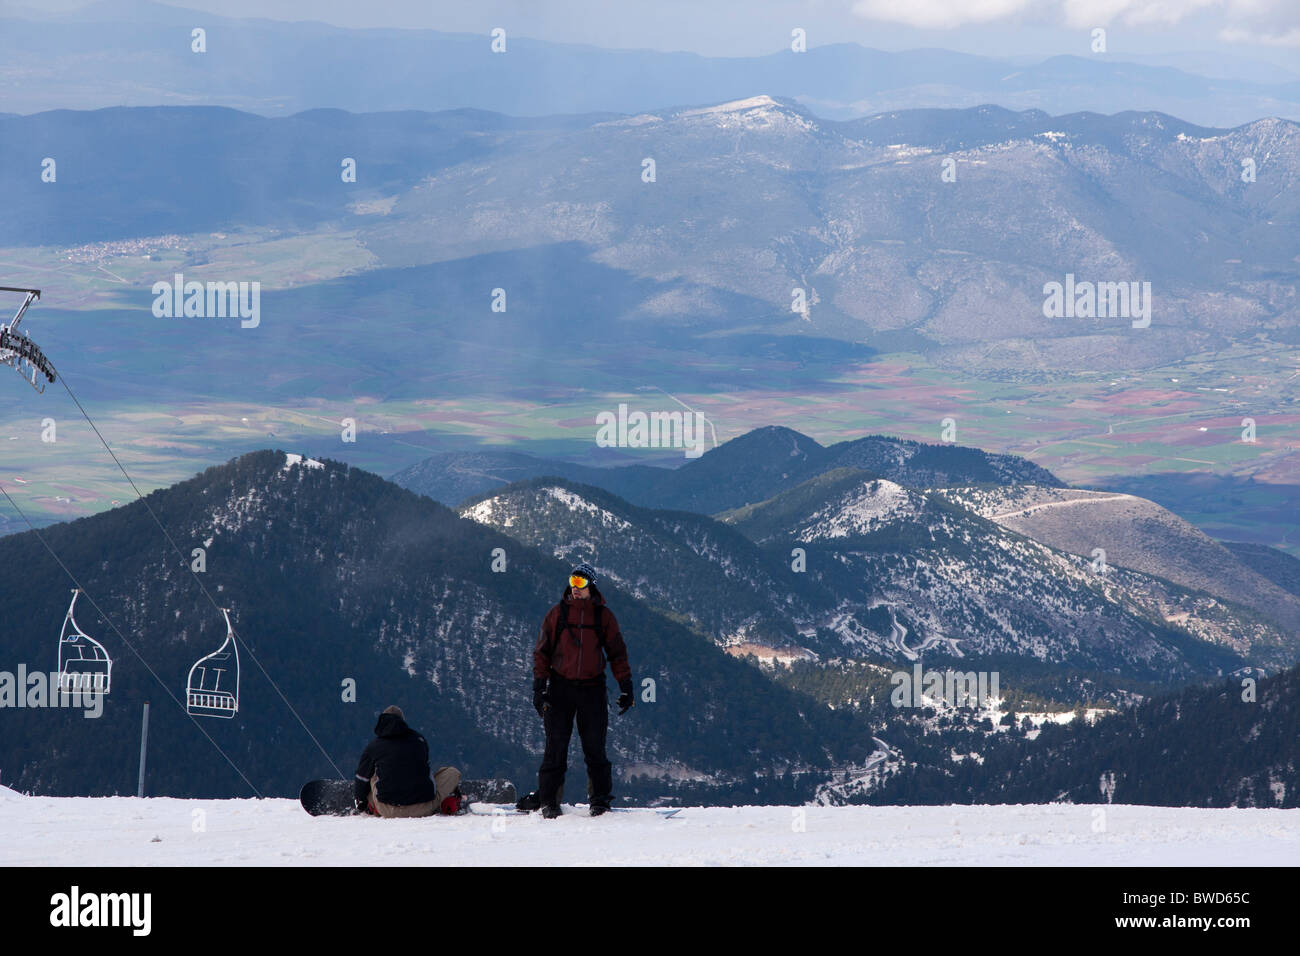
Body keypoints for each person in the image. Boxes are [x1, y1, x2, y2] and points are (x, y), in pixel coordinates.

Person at [523, 563, 634, 818]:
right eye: (573, 580)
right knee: (555, 748)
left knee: (595, 748)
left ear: (591, 586)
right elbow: (541, 653)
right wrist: (539, 689)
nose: (575, 587)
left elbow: (617, 653)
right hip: (560, 688)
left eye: (581, 583)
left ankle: (600, 801)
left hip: (592, 689)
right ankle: (549, 801)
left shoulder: (603, 617)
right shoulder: (557, 614)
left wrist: (626, 688)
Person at [354, 705, 462, 817]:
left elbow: (361, 778)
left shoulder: (374, 746)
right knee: (452, 772)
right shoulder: (419, 740)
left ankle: (372, 808)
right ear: (402, 721)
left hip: (387, 810)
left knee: (371, 774)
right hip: (423, 808)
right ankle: (449, 802)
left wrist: (362, 803)